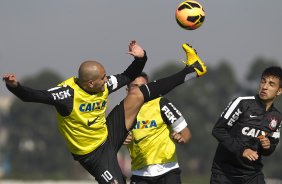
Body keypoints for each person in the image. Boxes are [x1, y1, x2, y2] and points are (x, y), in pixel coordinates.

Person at [3, 41, 207, 184]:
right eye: (102, 78)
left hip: (108, 132)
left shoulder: (104, 84)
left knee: (137, 94)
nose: (107, 79)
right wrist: (15, 86)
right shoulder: (66, 95)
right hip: (93, 155)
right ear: (90, 83)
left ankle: (193, 70)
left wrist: (141, 58)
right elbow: (32, 96)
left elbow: (129, 75)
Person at [210, 66, 282, 184]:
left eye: (271, 84)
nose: (264, 87)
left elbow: (270, 149)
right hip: (224, 174)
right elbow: (218, 130)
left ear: (279, 91)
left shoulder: (277, 117)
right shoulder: (242, 103)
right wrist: (242, 150)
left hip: (252, 175)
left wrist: (267, 146)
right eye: (263, 81)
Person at [123, 72, 191, 184]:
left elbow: (186, 133)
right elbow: (111, 139)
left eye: (143, 87)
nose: (140, 90)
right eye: (135, 86)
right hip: (140, 174)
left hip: (168, 170)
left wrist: (181, 138)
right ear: (127, 90)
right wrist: (122, 138)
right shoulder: (122, 111)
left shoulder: (161, 103)